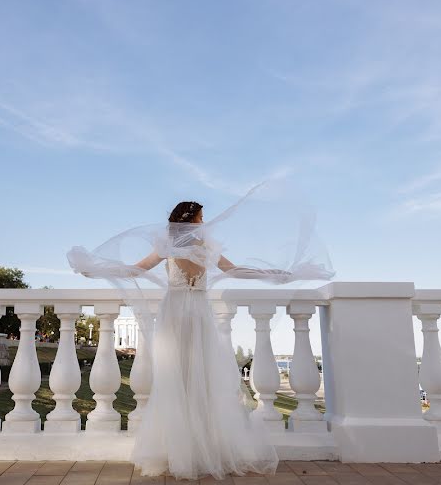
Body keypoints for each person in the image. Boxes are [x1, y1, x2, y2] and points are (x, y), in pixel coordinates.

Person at [67, 185, 335, 480]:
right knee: (185, 376)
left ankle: (194, 448)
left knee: (193, 376)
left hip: (188, 311)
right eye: (200, 218)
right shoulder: (183, 248)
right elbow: (139, 270)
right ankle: (189, 448)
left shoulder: (189, 248)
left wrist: (276, 275)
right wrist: (97, 269)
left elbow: (140, 270)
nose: (204, 223)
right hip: (187, 313)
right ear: (189, 219)